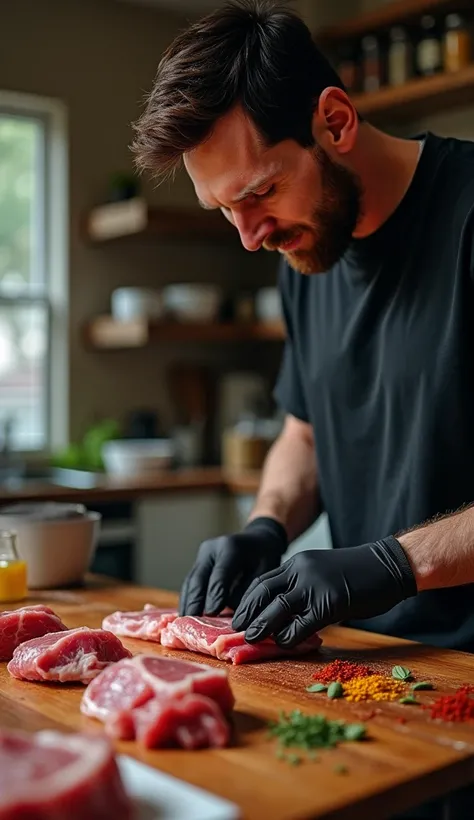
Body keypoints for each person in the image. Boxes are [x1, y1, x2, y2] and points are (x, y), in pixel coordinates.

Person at [132, 2, 474, 816]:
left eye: (259, 194)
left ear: (335, 119)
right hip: (374, 679)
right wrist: (267, 523)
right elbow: (306, 427)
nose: (249, 237)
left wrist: (393, 562)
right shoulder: (302, 249)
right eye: (226, 212)